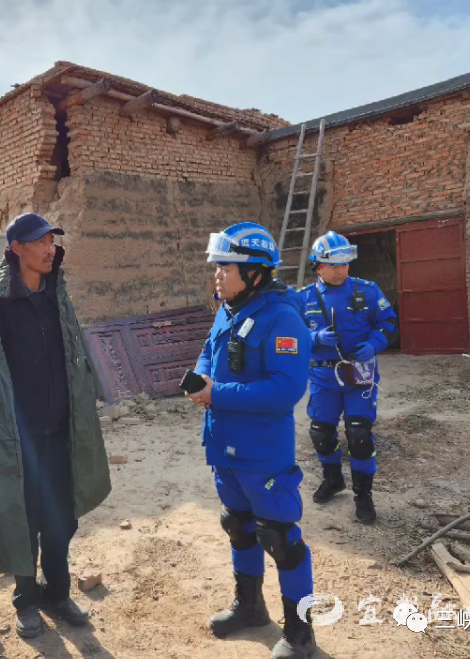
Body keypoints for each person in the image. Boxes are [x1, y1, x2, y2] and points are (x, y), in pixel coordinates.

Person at [0, 213, 111, 639]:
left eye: (52, 241)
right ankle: (26, 600)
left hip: (61, 430)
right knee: (20, 518)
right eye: (40, 242)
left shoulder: (57, 295)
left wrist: (91, 396)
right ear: (16, 248)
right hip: (13, 438)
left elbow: (76, 352)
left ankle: (58, 593)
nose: (50, 249)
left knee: (61, 517)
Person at [187, 222, 316, 659]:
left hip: (262, 452)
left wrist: (216, 393)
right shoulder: (228, 309)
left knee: (280, 538)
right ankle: (250, 607)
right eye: (218, 267)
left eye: (225, 268)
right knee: (238, 526)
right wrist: (201, 378)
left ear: (255, 273)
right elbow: (209, 351)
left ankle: (300, 633)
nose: (217, 275)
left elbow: (285, 390)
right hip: (224, 445)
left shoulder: (282, 319)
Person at [299, 231, 398, 525]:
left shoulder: (368, 290)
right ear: (318, 266)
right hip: (323, 375)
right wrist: (314, 337)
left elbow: (389, 322)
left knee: (358, 434)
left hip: (359, 374)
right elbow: (287, 338)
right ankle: (333, 479)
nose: (340, 270)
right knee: (321, 432)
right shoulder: (302, 298)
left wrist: (374, 345)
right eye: (333, 265)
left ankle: (363, 495)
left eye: (344, 264)